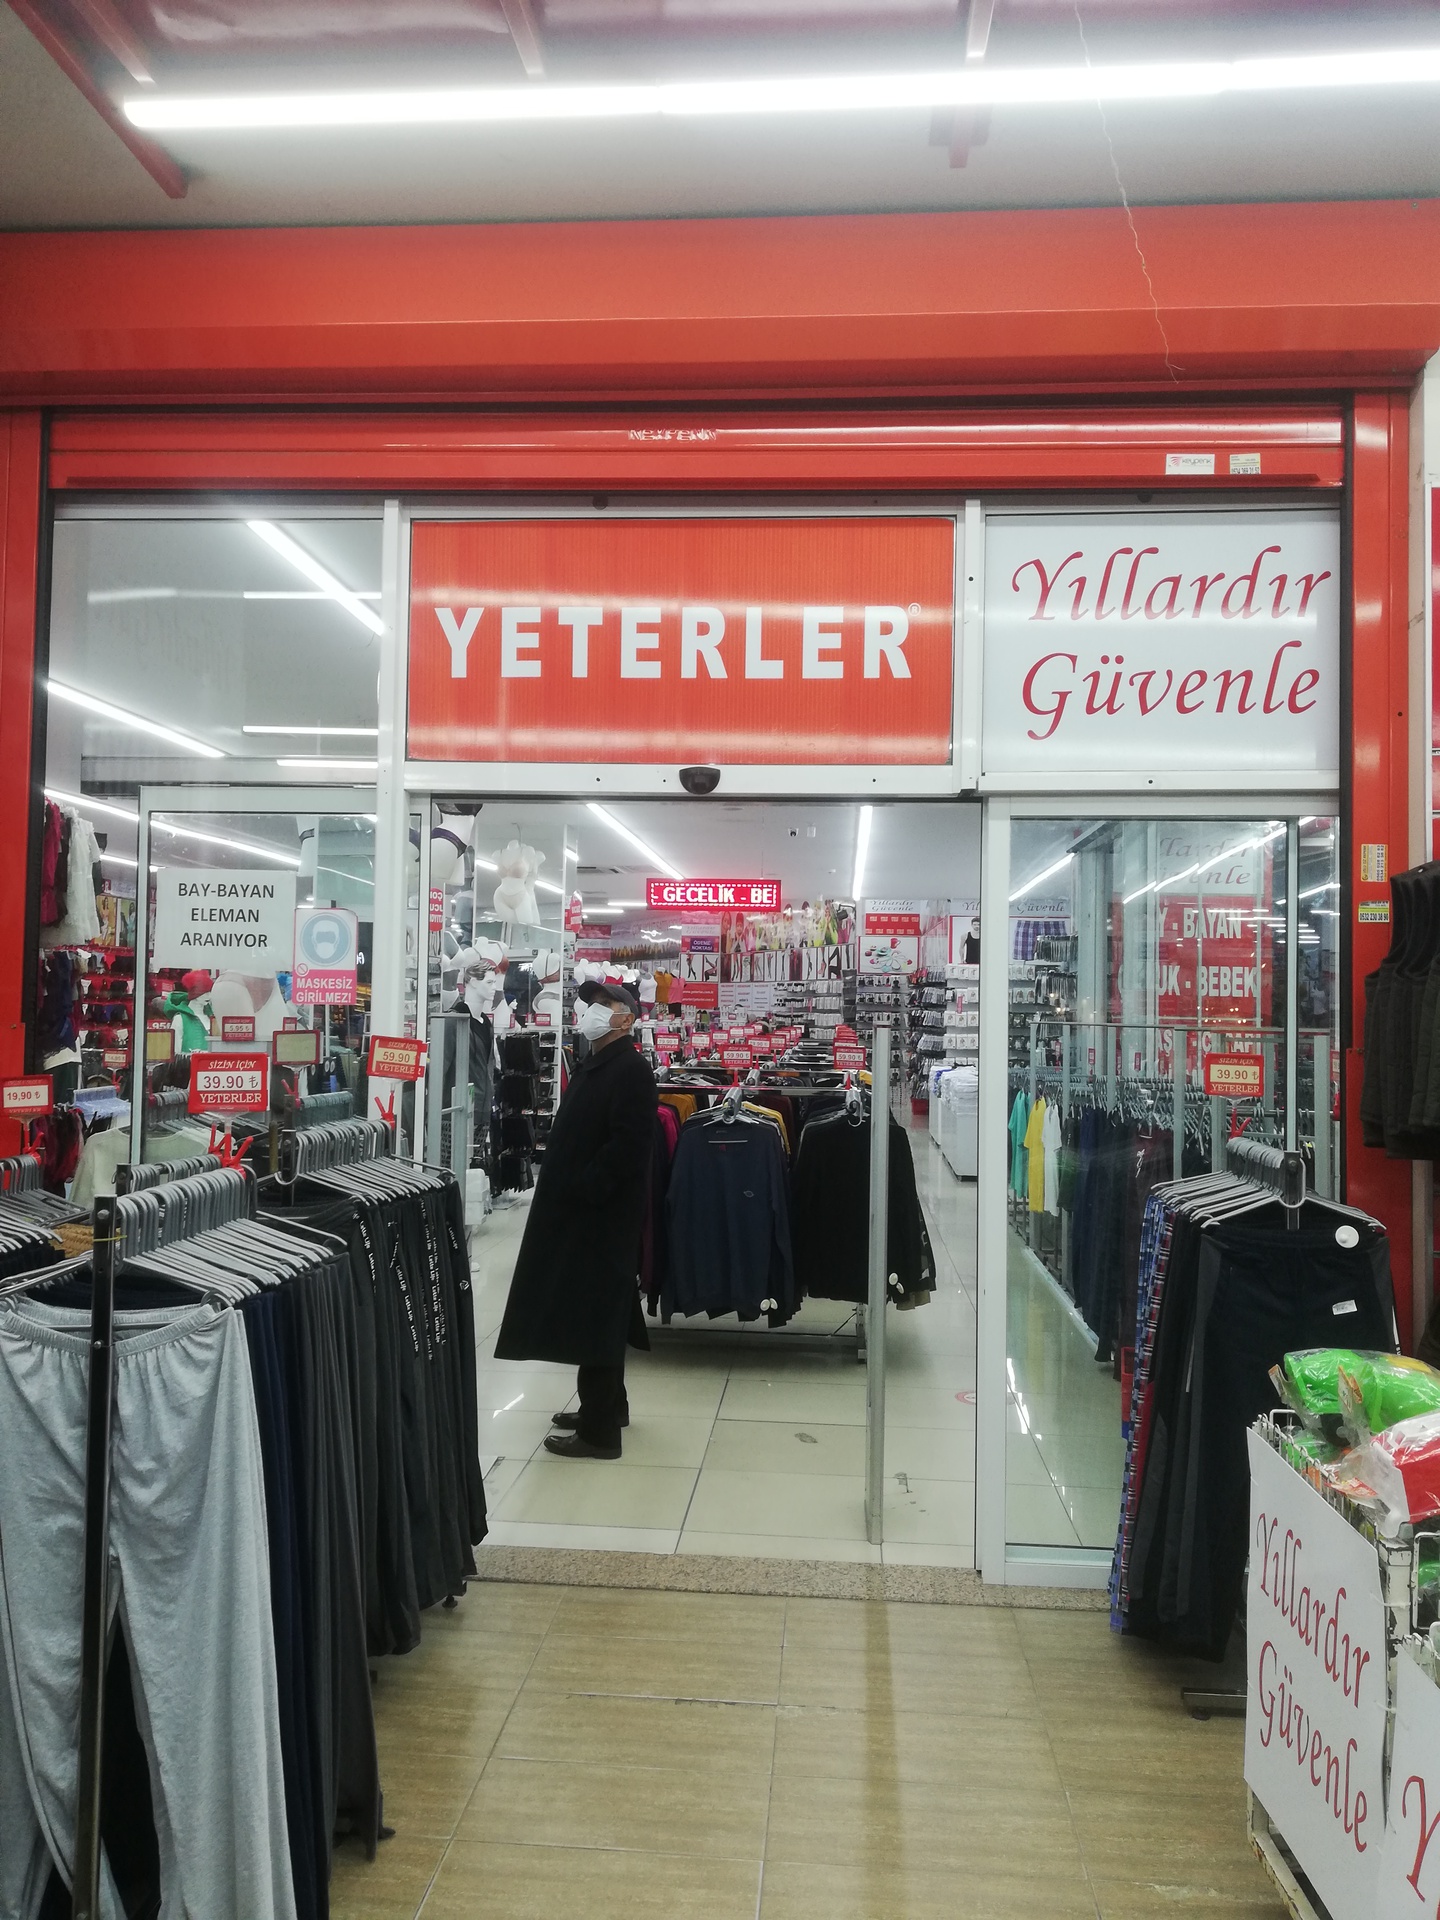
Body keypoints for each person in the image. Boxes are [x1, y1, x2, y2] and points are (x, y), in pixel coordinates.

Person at [494, 978, 657, 1459]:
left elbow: (629, 1147)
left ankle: (598, 1433)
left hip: (599, 1217)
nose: (591, 1011)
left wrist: (585, 1187)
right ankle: (608, 1408)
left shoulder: (630, 1069)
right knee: (603, 1311)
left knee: (595, 1316)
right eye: (591, 1004)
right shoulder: (598, 1062)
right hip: (585, 1212)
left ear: (625, 1018)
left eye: (604, 1004)